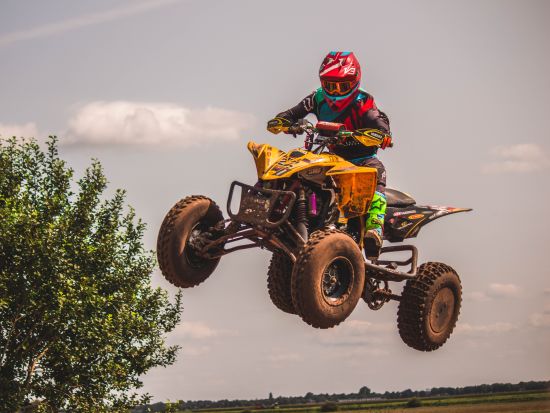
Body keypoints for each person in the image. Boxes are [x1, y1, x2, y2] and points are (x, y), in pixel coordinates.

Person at [266, 51, 392, 258]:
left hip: (360, 161)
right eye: (330, 85)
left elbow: (380, 125)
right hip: (331, 159)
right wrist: (284, 122)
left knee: (377, 171)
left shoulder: (364, 102)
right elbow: (292, 113)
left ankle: (374, 229)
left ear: (354, 82)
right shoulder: (317, 97)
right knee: (299, 169)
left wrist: (381, 135)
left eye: (342, 86)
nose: (335, 91)